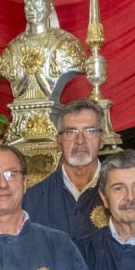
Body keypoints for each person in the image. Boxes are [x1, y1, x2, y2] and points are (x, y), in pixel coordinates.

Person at [22, 99, 108, 238]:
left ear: (102, 139)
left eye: (90, 131)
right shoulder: (33, 199)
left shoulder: (120, 191)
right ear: (59, 140)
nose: (80, 141)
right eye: (71, 132)